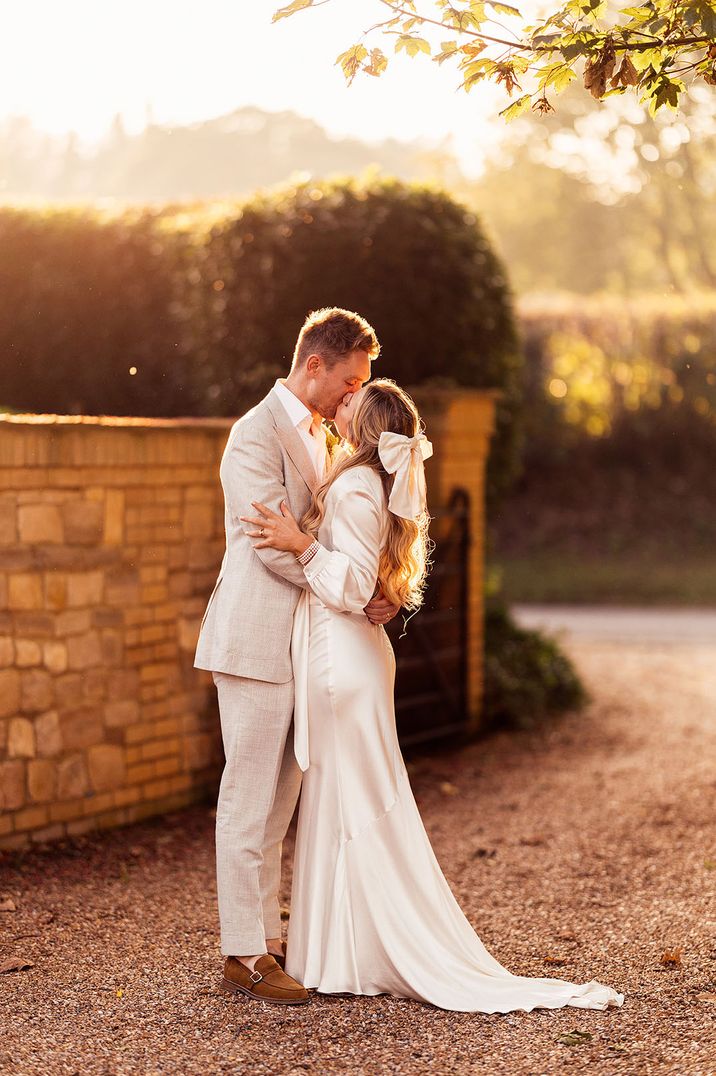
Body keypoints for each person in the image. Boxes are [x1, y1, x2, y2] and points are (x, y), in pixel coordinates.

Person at [241, 378, 625, 1013]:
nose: (340, 405)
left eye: (351, 405)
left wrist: (299, 544)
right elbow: (371, 585)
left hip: (344, 663)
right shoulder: (363, 481)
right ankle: (333, 952)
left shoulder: (362, 487)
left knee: (349, 802)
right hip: (343, 655)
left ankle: (354, 953)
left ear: (367, 426)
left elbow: (354, 583)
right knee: (339, 802)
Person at [194, 308, 399, 1006]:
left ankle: (271, 938)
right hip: (254, 641)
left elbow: (339, 537)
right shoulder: (253, 436)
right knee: (247, 801)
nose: (353, 396)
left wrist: (375, 586)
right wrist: (343, 586)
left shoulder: (326, 438)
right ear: (315, 364)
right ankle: (242, 951)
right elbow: (267, 544)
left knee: (280, 806)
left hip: (302, 648)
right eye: (348, 381)